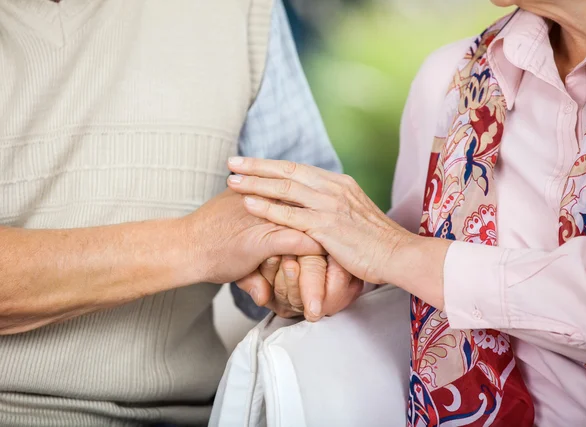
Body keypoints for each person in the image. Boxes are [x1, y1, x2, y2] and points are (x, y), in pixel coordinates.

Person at [226, 0, 586, 425]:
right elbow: (400, 274)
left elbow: (402, 253)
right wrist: (320, 269)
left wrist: (398, 254)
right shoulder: (453, 81)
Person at [0, 0, 361, 425]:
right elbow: (225, 239)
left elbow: (308, 228)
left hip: (196, 414)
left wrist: (305, 269)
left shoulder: (243, 9)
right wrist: (196, 245)